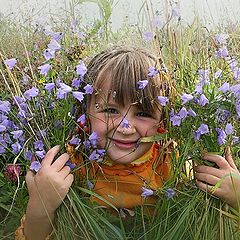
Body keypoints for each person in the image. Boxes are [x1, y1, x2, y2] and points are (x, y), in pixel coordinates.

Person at [15, 46, 240, 240]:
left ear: (163, 119)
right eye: (110, 110)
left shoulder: (176, 166)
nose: (125, 127)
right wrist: (41, 205)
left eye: (143, 113)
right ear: (85, 111)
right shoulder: (70, 167)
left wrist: (237, 195)